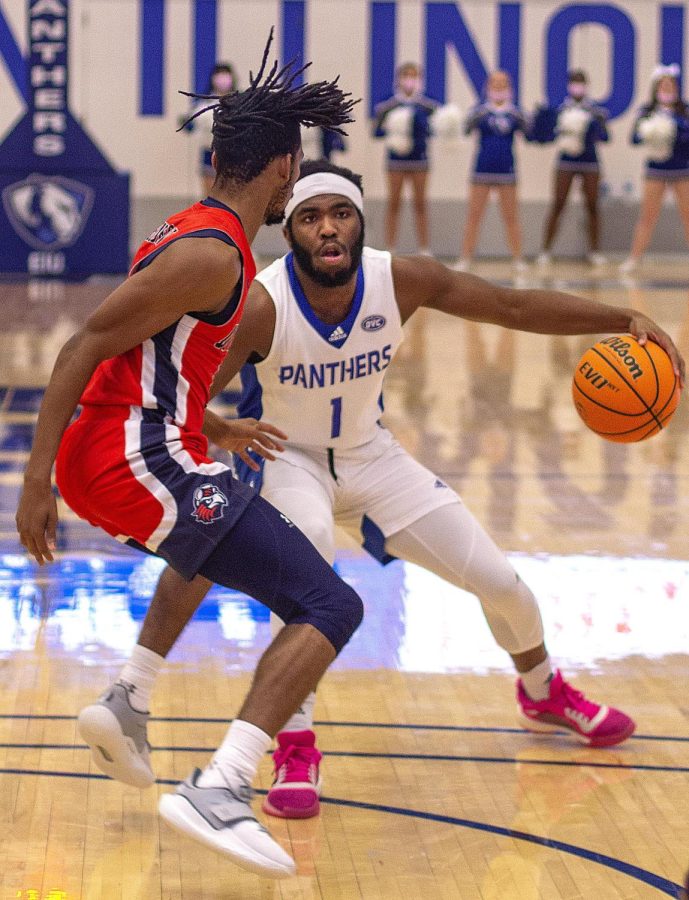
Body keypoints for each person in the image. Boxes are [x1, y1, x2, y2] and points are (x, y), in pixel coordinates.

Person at [82, 159, 684, 826]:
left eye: (339, 213)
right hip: (290, 461)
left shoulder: (401, 280)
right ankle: (294, 743)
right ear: (292, 232)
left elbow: (511, 305)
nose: (327, 228)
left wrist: (620, 317)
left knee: (501, 582)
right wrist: (222, 429)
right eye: (309, 217)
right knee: (306, 566)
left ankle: (542, 690)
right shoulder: (261, 303)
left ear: (359, 221)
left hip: (373, 458)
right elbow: (185, 391)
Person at [15, 33, 359, 879]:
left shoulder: (202, 232)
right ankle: (225, 788)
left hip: (145, 446)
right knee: (329, 603)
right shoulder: (212, 253)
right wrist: (32, 483)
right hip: (126, 459)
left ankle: (128, 699)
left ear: (217, 159)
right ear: (283, 166)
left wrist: (214, 427)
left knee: (211, 539)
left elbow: (145, 365)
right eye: (297, 167)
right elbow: (84, 345)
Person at [454, 71, 530, 271]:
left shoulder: (516, 114)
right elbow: (464, 129)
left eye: (503, 83)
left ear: (509, 87)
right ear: (487, 87)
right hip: (482, 170)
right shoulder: (479, 113)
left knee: (511, 216)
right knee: (474, 216)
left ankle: (517, 258)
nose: (498, 87)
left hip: (507, 171)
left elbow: (531, 134)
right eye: (494, 83)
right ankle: (466, 256)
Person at [533, 70, 609, 267]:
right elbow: (545, 136)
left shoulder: (595, 111)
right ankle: (545, 250)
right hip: (566, 161)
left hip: (590, 161)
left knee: (592, 205)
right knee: (558, 203)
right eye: (574, 83)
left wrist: (591, 127)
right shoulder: (560, 110)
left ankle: (594, 251)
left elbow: (605, 137)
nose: (577, 87)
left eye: (581, 83)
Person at [620, 64, 689, 274]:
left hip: (681, 169)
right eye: (663, 85)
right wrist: (650, 132)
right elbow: (634, 138)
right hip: (656, 170)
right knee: (648, 216)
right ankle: (634, 258)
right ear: (656, 88)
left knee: (687, 215)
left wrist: (674, 127)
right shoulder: (647, 111)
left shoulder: (683, 111)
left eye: (670, 85)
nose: (667, 89)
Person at [373, 62, 438, 255]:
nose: (410, 80)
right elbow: (377, 132)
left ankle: (424, 248)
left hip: (419, 160)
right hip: (396, 161)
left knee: (420, 203)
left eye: (415, 76)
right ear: (399, 79)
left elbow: (434, 131)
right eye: (406, 75)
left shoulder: (427, 106)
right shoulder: (388, 105)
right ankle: (390, 247)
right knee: (394, 202)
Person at [181, 62, 239, 196]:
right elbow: (190, 125)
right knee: (210, 193)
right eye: (219, 75)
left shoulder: (240, 102)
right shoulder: (203, 104)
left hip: (235, 153)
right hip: (209, 151)